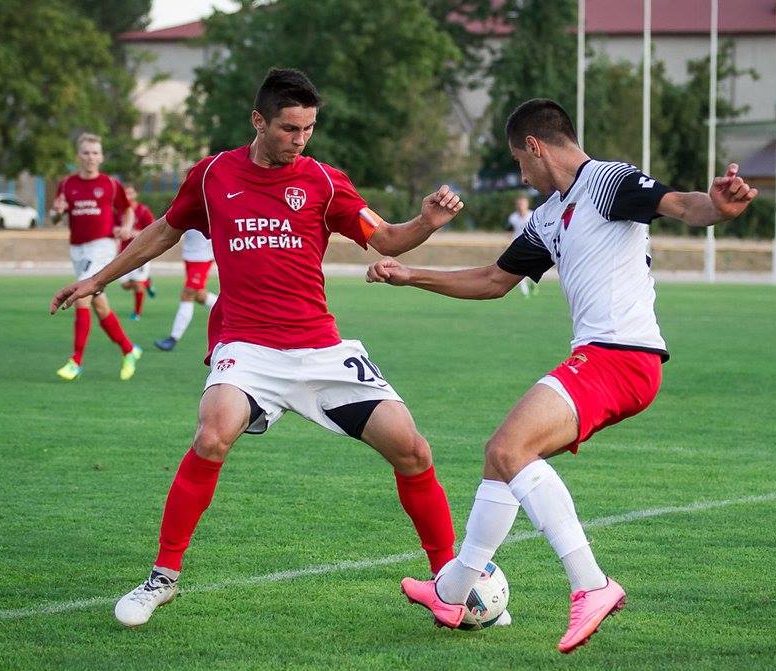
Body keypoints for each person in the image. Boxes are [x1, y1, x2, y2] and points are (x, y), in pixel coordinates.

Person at [49, 68, 466, 628]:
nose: (301, 139)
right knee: (212, 432)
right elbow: (162, 232)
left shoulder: (324, 181)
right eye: (290, 128)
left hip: (318, 346)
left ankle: (450, 587)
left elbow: (387, 237)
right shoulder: (213, 174)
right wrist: (98, 279)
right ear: (258, 121)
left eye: (309, 128)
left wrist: (428, 221)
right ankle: (162, 578)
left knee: (412, 448)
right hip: (246, 345)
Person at [367, 98, 758, 653]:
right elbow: (491, 280)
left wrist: (718, 207)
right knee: (498, 459)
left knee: (509, 450)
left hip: (621, 357)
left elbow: (683, 205)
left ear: (535, 146)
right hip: (604, 357)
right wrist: (410, 275)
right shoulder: (550, 214)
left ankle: (591, 585)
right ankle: (452, 589)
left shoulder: (607, 181)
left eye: (518, 160)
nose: (520, 174)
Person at [52, 133, 143, 381]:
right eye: (86, 153)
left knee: (80, 297)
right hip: (78, 249)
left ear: (101, 157)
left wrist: (126, 227)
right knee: (100, 306)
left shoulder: (110, 184)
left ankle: (76, 361)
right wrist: (57, 213)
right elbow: (56, 216)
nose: (90, 157)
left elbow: (128, 211)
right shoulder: (66, 184)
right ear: (78, 156)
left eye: (95, 153)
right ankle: (129, 349)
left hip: (102, 247)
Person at [154, 229, 218, 351]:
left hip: (202, 257)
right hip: (190, 255)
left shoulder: (209, 209)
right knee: (199, 296)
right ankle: (231, 310)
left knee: (187, 294)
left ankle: (173, 338)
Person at [116, 185, 157, 320]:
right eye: (125, 193)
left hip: (141, 253)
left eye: (130, 193)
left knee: (138, 285)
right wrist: (117, 231)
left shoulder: (143, 210)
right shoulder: (119, 211)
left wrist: (136, 233)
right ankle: (147, 283)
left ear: (135, 195)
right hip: (123, 253)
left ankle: (137, 314)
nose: (127, 196)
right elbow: (113, 226)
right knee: (125, 285)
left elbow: (154, 229)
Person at [505, 194, 537, 297]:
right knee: (518, 270)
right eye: (519, 204)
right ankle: (525, 292)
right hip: (517, 246)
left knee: (531, 270)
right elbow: (508, 230)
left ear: (527, 205)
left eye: (523, 204)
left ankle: (532, 282)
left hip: (531, 246)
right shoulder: (513, 217)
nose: (521, 206)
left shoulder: (533, 215)